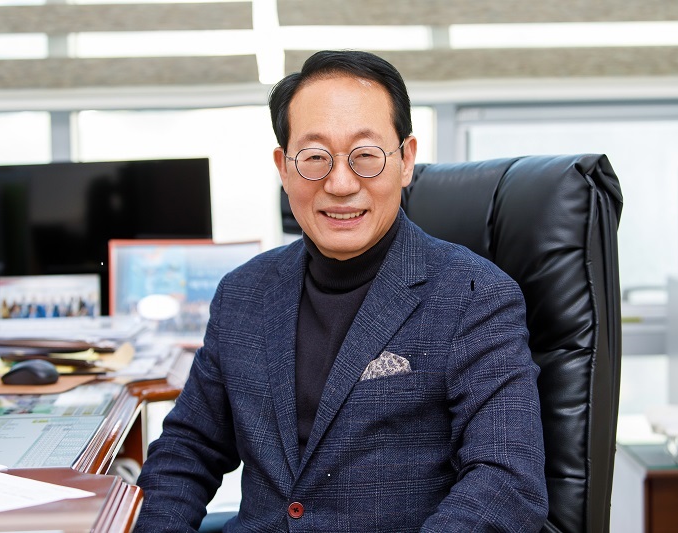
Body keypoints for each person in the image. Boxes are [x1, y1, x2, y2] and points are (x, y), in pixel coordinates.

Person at [136, 50, 548, 532]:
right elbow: (188, 449)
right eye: (314, 157)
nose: (340, 183)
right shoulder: (243, 293)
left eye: (365, 156)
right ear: (284, 168)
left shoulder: (474, 295)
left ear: (405, 160)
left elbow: (505, 483)